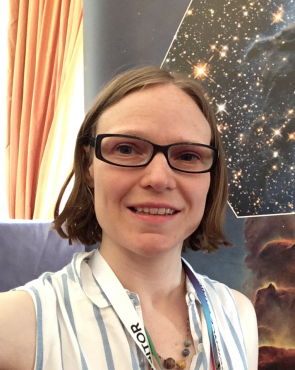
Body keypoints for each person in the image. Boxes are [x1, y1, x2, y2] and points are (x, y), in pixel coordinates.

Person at [0, 66, 258, 370]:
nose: (159, 178)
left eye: (187, 156)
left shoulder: (238, 315)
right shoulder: (14, 324)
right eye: (126, 149)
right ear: (88, 165)